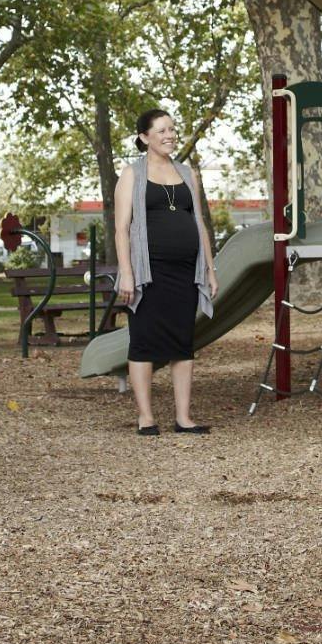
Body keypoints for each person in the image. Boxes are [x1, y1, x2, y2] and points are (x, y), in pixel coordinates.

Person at [114, 107, 219, 436]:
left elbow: (199, 223)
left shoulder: (187, 173)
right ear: (144, 137)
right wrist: (127, 273)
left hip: (186, 272)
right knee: (143, 342)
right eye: (162, 130)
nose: (170, 135)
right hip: (148, 273)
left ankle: (183, 418)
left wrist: (209, 270)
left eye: (172, 129)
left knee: (183, 343)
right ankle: (146, 417)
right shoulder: (132, 174)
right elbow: (121, 229)